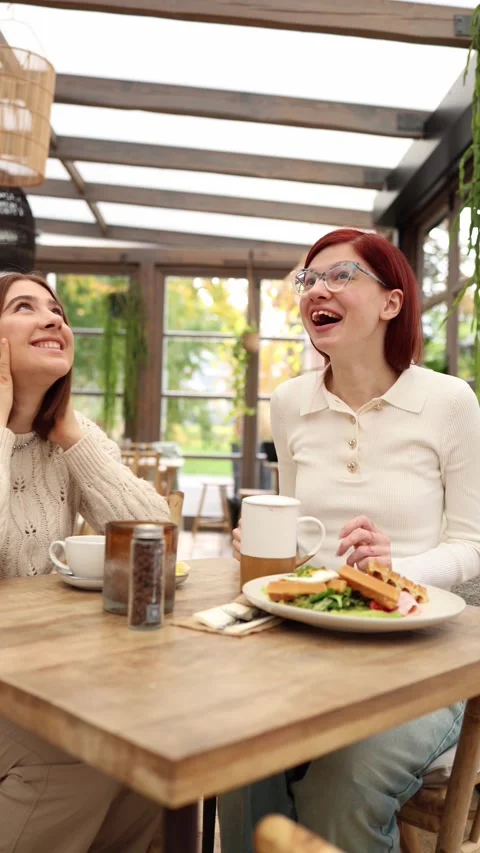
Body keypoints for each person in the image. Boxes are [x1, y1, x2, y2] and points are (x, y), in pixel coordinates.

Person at [219, 228, 480, 853]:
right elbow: (301, 534)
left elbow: (474, 546)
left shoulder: (449, 401)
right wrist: (268, 546)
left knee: (343, 785)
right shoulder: (290, 402)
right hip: (307, 643)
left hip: (423, 658)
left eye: (340, 276)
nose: (317, 290)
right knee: (234, 754)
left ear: (392, 303)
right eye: (308, 279)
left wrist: (394, 570)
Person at [0, 272, 168, 852]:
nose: (53, 318)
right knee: (81, 756)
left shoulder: (71, 439)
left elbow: (155, 538)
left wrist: (69, 430)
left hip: (44, 675)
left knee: (147, 757)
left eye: (58, 311)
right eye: (24, 307)